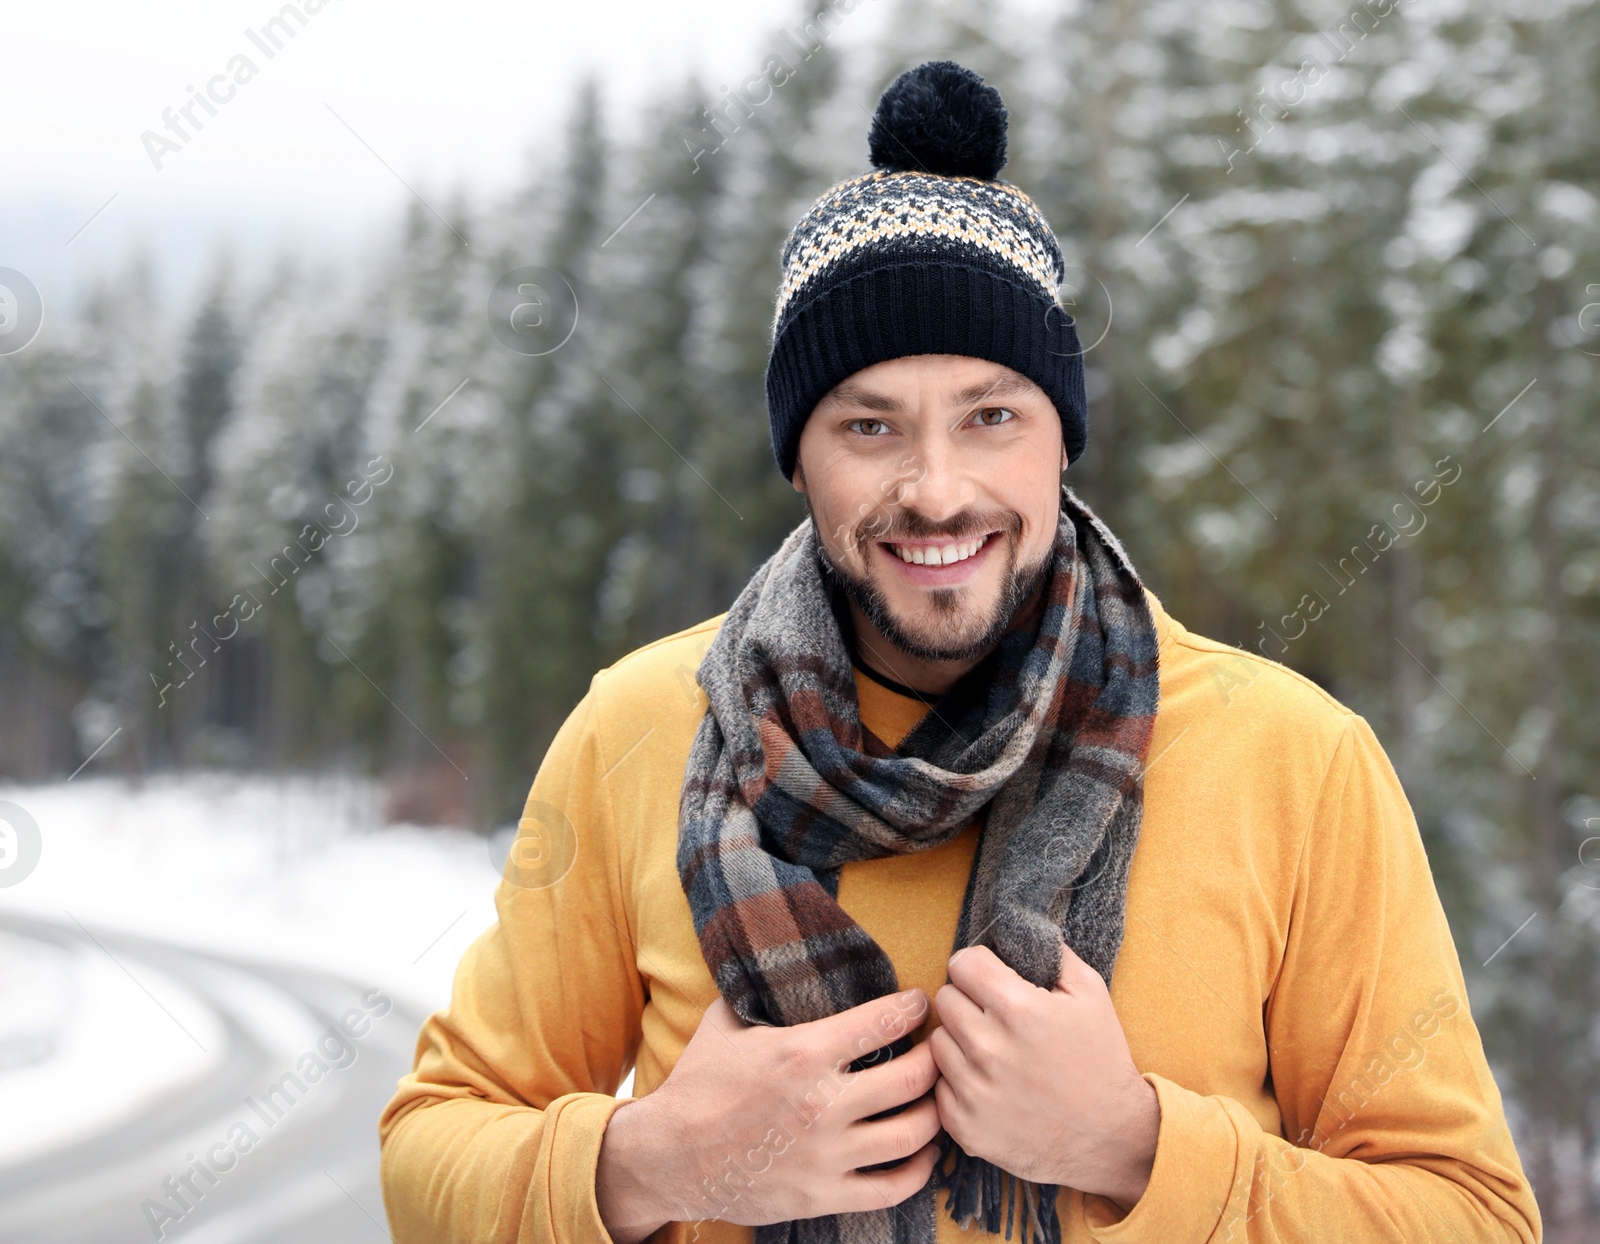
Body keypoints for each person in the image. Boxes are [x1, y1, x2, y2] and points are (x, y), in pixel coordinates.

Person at [379, 60, 1540, 1244]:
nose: (935, 491)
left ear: (1060, 441)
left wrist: (1137, 1149)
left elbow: (1473, 1217)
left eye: (991, 416)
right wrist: (651, 1165)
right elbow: (430, 1151)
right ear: (798, 459)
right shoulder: (640, 730)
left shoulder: (1293, 762)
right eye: (868, 424)